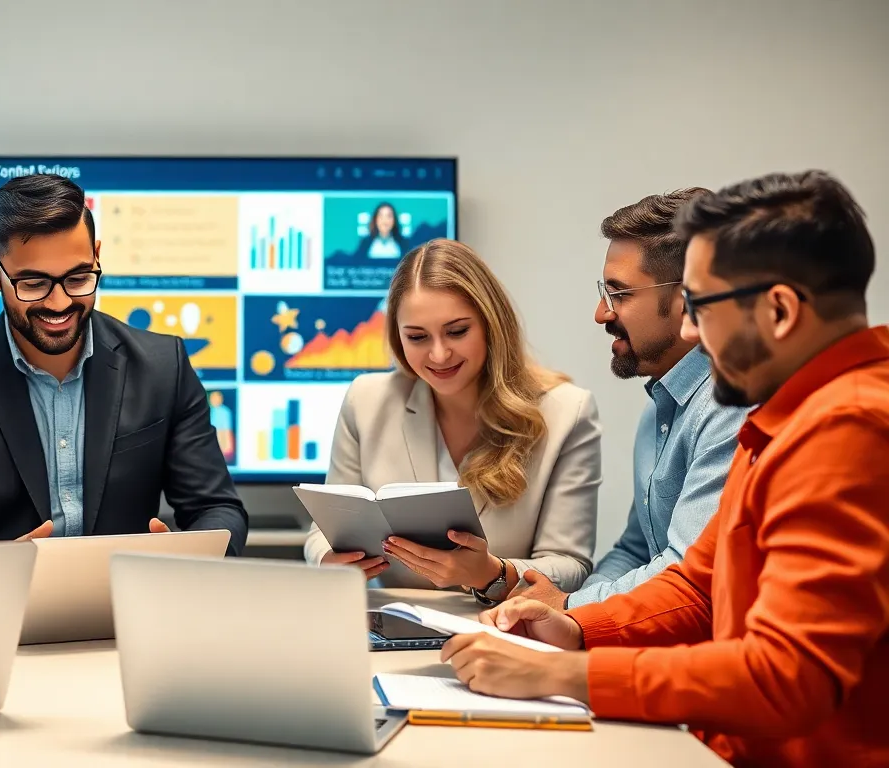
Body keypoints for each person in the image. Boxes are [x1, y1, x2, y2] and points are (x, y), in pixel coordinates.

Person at [442, 171, 889, 768]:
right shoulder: (794, 415)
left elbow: (787, 677)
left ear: (780, 310)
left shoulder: (849, 430)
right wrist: (576, 631)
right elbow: (698, 586)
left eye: (701, 307)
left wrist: (575, 674)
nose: (686, 330)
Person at [0, 174, 247, 554]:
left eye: (79, 278)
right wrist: (0, 567)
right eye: (33, 284)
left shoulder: (164, 366)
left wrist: (185, 556)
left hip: (132, 601)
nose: (60, 304)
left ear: (97, 257)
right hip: (9, 607)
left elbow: (218, 509)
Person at [304, 239, 601, 603]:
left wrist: (492, 572)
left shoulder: (566, 411)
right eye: (417, 337)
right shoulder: (366, 400)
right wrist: (328, 560)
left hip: (502, 628)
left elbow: (570, 565)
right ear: (398, 338)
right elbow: (325, 530)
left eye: (457, 331)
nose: (439, 354)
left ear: (492, 325)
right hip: (395, 624)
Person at [514, 189, 748, 609]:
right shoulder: (661, 405)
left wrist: (569, 610)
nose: (601, 313)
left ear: (688, 299)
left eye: (620, 294)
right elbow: (636, 552)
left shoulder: (731, 409)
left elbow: (685, 571)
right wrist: (566, 607)